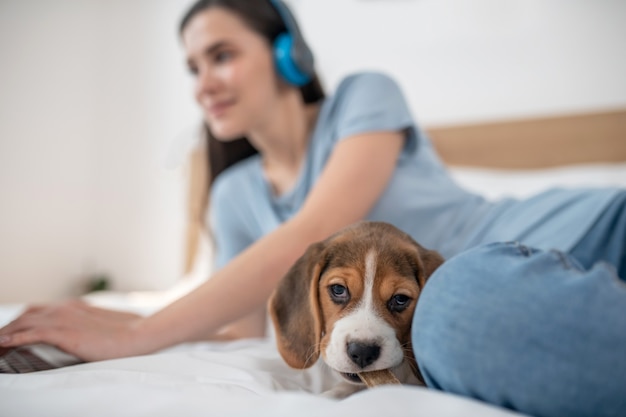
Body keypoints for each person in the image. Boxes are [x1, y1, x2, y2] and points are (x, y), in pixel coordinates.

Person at [0, 0, 624, 415]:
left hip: (590, 232)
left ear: (287, 53)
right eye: (191, 67)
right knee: (448, 319)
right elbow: (249, 324)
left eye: (221, 55)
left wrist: (139, 332)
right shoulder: (234, 195)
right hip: (507, 312)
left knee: (450, 300)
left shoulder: (363, 96)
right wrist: (114, 322)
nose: (202, 84)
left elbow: (322, 229)